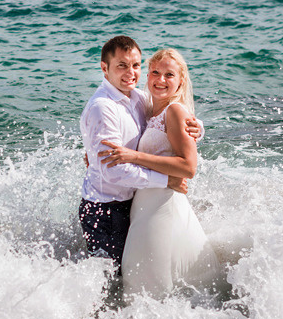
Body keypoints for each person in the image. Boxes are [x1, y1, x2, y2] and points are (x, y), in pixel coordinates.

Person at [99, 48, 224, 299]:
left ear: (181, 80)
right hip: (145, 206)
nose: (161, 79)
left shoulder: (175, 111)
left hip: (161, 207)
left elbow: (188, 167)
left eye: (169, 74)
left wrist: (134, 156)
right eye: (155, 72)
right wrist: (95, 152)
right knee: (143, 282)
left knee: (150, 285)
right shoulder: (148, 108)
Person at [79, 36, 200, 275]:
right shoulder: (103, 107)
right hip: (105, 209)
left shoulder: (135, 98)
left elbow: (167, 115)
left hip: (131, 204)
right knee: (107, 283)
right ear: (105, 68)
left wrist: (196, 128)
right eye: (122, 65)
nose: (131, 72)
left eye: (135, 65)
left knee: (135, 275)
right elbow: (113, 171)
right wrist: (167, 181)